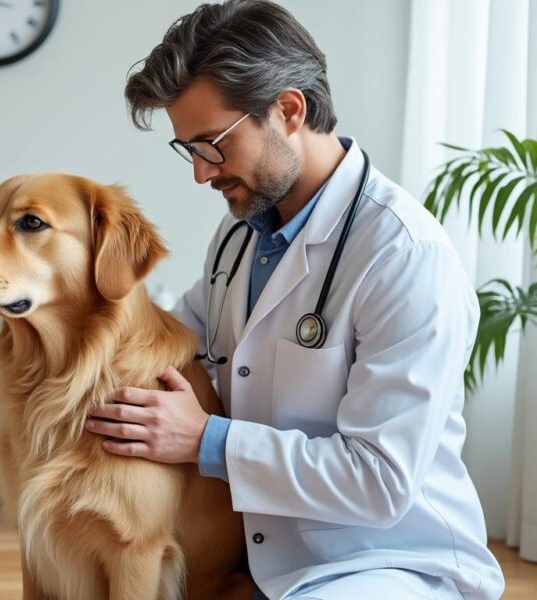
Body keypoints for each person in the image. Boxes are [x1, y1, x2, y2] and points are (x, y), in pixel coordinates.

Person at [82, 1, 506, 598]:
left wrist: (207, 440)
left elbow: (379, 481)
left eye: (212, 145)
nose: (202, 175)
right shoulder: (239, 235)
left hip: (382, 562)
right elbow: (177, 342)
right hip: (259, 558)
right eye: (190, 150)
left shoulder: (405, 256)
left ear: (287, 110)